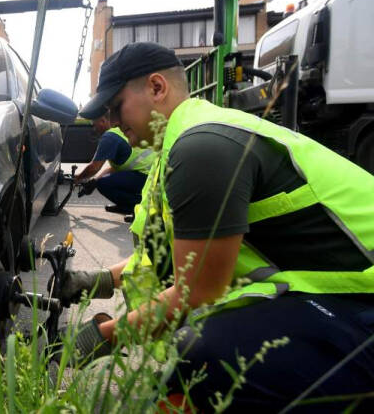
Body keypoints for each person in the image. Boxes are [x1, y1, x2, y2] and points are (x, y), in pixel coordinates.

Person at [62, 42, 374, 411]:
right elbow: (168, 257)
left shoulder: (202, 147)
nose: (112, 121)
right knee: (201, 355)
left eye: (116, 107)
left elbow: (196, 291)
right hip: (344, 298)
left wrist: (102, 338)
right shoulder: (181, 145)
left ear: (157, 87)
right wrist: (94, 281)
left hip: (362, 305)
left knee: (209, 353)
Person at [73, 115, 153, 215]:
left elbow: (94, 167)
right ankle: (128, 205)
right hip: (151, 173)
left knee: (104, 184)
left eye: (94, 125)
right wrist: (94, 181)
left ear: (102, 121)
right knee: (102, 181)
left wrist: (78, 178)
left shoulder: (109, 137)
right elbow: (115, 168)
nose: (94, 129)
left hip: (147, 176)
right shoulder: (118, 131)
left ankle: (137, 206)